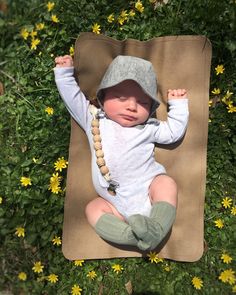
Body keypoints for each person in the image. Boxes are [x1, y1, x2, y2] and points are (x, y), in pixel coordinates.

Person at [54, 54, 189, 251]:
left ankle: (157, 228)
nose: (132, 106)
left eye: (143, 102)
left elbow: (173, 133)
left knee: (166, 184)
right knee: (92, 209)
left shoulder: (148, 127)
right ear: (102, 98)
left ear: (151, 109)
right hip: (114, 204)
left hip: (148, 191)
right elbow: (74, 100)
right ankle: (131, 237)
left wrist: (178, 106)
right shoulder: (95, 121)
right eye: (121, 97)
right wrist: (64, 75)